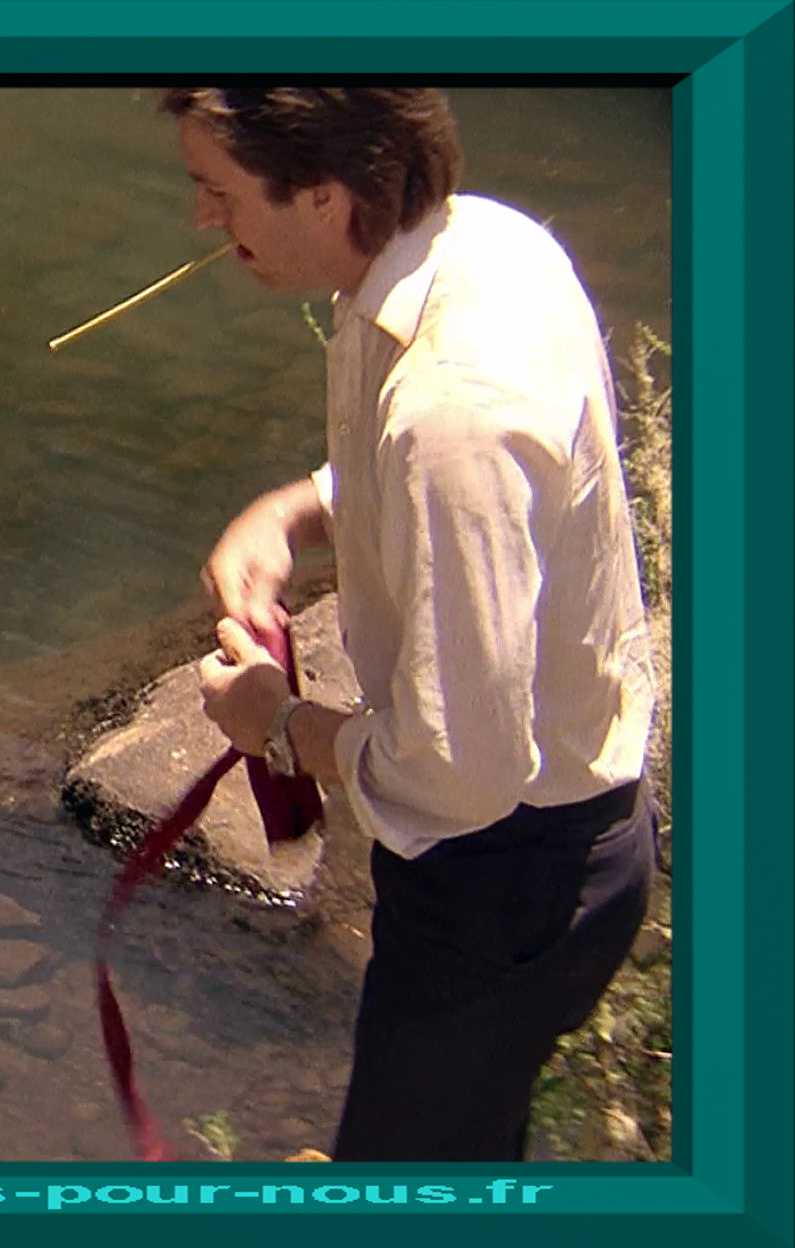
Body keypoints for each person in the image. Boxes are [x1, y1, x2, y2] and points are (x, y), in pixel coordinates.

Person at [165, 88, 658, 1161]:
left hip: (504, 881)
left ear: (323, 194)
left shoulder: (450, 410)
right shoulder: (480, 243)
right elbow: (446, 474)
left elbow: (459, 773)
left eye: (219, 192)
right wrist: (295, 511)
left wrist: (276, 724)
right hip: (561, 847)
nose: (202, 219)